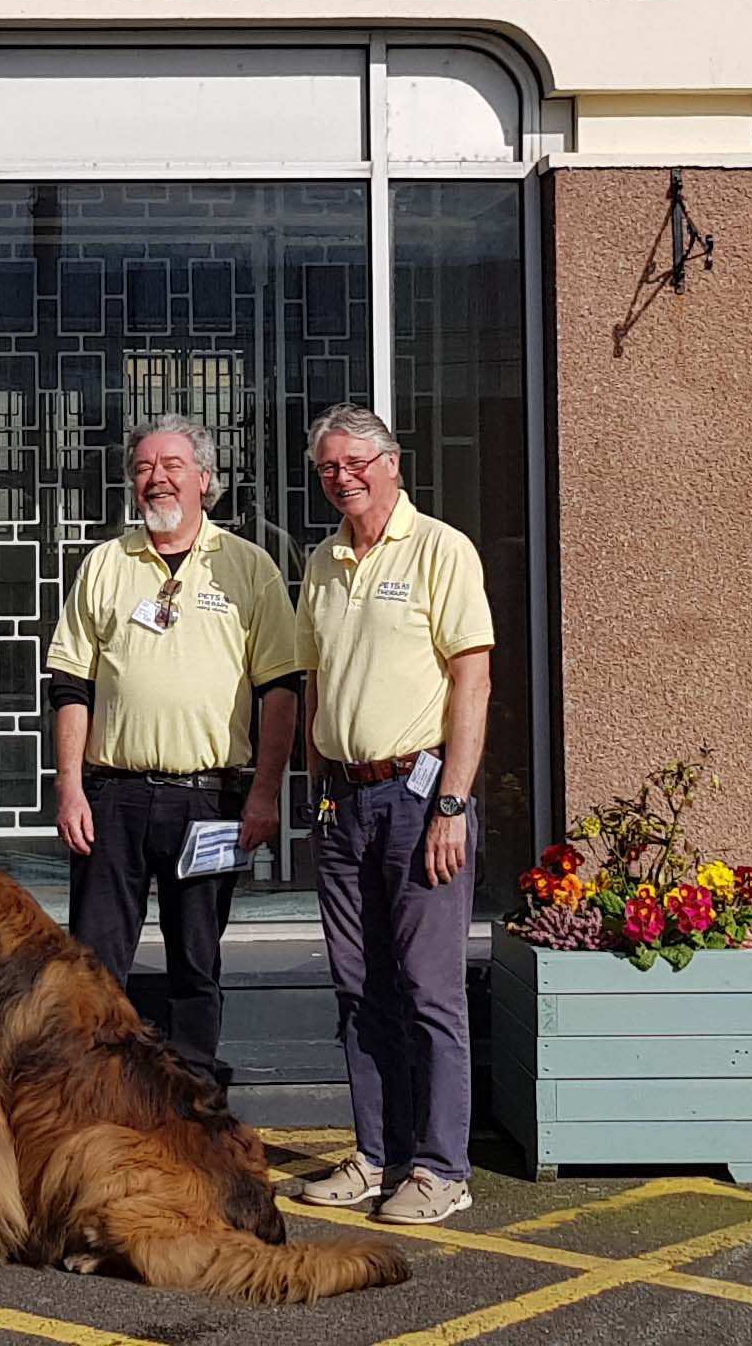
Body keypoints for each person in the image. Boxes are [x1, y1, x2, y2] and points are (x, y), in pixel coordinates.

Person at [46, 414, 299, 1080]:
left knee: (196, 961)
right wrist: (69, 785)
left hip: (210, 797)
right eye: (144, 469)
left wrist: (266, 792)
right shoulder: (105, 564)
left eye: (172, 467)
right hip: (113, 798)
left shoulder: (249, 567)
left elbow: (281, 689)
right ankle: (94, 1094)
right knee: (93, 964)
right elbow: (71, 684)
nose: (156, 480)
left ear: (205, 481)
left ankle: (191, 1104)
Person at [293, 404, 493, 1226]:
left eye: (354, 464)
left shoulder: (442, 548)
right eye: (329, 468)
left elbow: (472, 681)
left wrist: (453, 802)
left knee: (429, 992)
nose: (343, 479)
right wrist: (317, 796)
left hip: (419, 798)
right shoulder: (323, 562)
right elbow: (314, 684)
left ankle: (442, 1167)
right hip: (344, 800)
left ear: (392, 463)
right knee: (357, 988)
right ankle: (376, 1157)